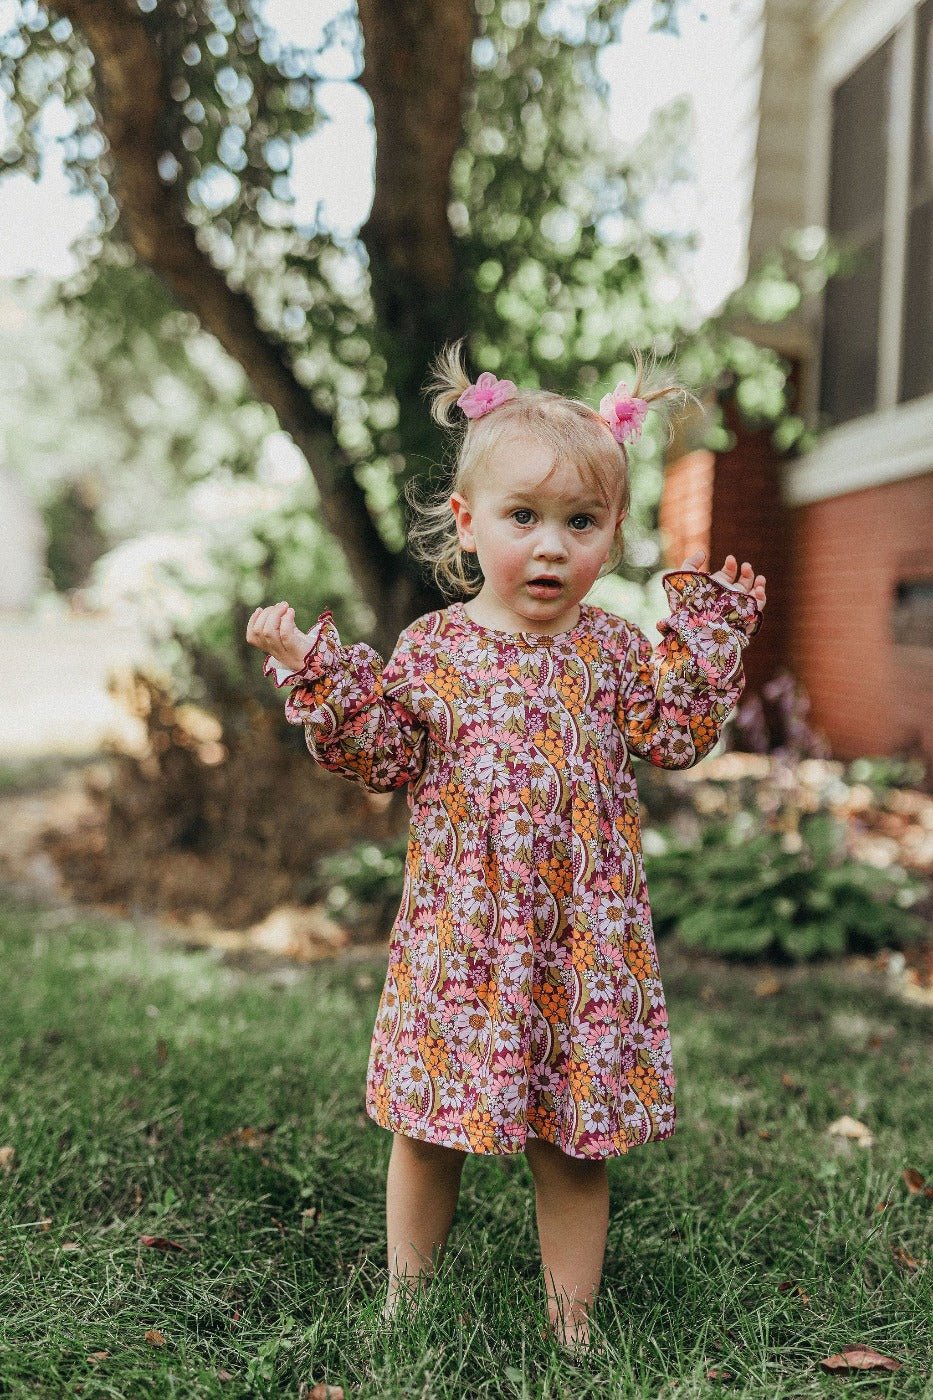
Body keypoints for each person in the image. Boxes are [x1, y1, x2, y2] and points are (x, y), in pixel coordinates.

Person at [246, 339, 766, 1353]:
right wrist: (320, 673)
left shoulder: (614, 650)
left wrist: (705, 644)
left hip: (580, 946)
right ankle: (410, 1298)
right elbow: (384, 751)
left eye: (580, 521)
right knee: (427, 1125)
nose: (550, 545)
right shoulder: (434, 648)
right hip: (460, 932)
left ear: (612, 535)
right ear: (467, 520)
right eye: (523, 517)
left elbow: (679, 736)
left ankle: (573, 1323)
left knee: (572, 1143)